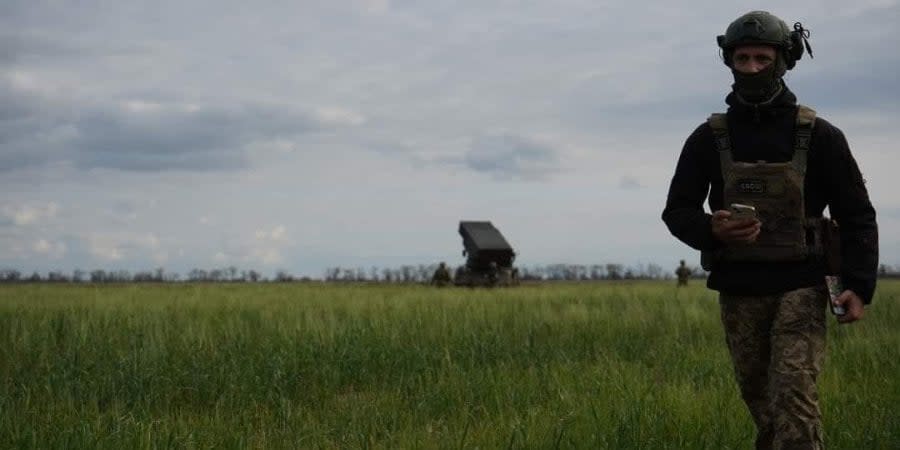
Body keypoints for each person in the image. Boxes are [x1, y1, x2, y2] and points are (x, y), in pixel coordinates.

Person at [661, 11, 878, 449]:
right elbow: (677, 211)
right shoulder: (708, 138)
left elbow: (857, 213)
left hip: (803, 283)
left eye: (763, 58)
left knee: (795, 398)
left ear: (784, 61)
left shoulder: (820, 135)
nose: (753, 68)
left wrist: (859, 285)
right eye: (743, 58)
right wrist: (713, 230)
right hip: (739, 288)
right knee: (763, 405)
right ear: (730, 61)